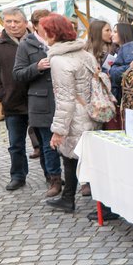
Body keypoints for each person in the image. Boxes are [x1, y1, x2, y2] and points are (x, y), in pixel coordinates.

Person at [40, 14, 102, 213]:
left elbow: (65, 99)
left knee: (84, 160)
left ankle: (106, 206)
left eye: (45, 32)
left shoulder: (59, 60)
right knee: (72, 158)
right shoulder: (84, 54)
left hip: (76, 117)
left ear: (53, 34)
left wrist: (58, 131)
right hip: (92, 113)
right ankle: (69, 199)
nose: (42, 35)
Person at [12, 9, 63, 197]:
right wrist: (37, 67)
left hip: (61, 99)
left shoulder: (59, 41)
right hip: (40, 102)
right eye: (44, 24)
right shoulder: (26, 45)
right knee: (48, 144)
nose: (49, 27)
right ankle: (54, 179)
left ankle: (76, 179)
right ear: (34, 26)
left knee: (68, 142)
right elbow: (17, 74)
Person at [0, 8, 30, 191]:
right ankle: (18, 176)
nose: (12, 25)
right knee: (15, 144)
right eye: (8, 21)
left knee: (44, 143)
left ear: (25, 22)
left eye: (16, 21)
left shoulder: (36, 41)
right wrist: (3, 94)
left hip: (36, 101)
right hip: (12, 103)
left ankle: (52, 176)